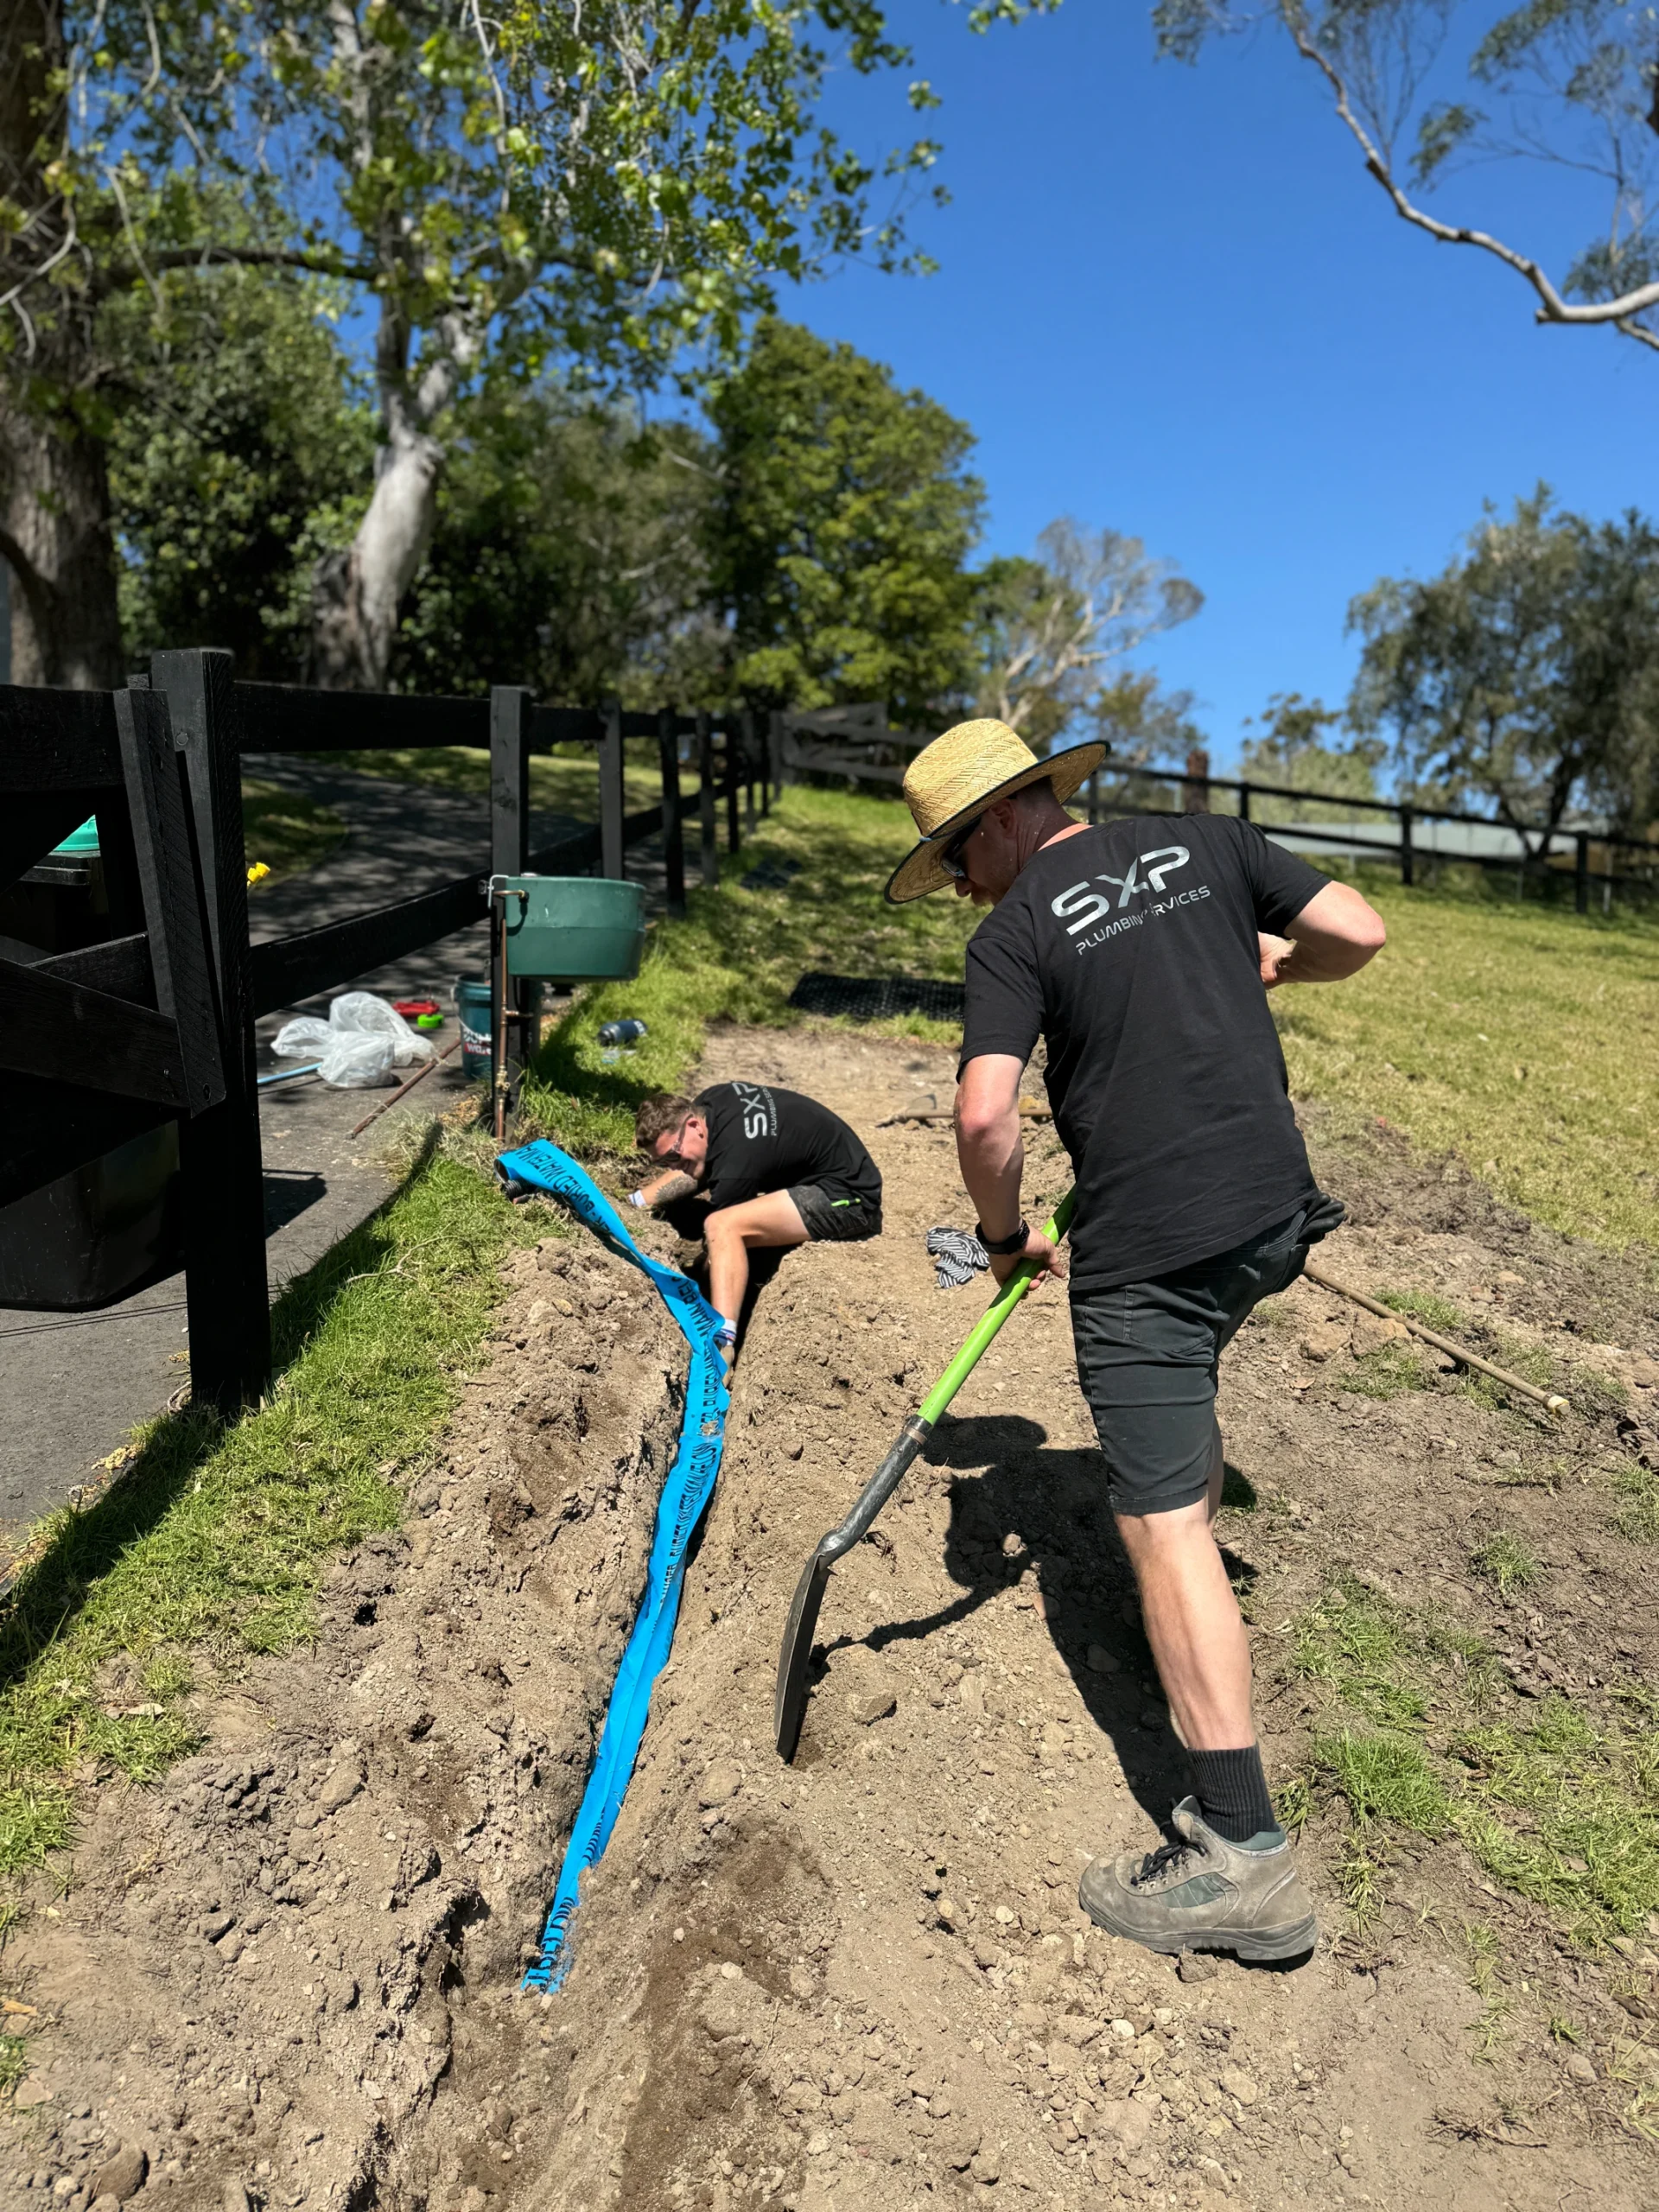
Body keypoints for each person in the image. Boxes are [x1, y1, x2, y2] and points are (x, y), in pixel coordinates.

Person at [886, 716, 1386, 1963]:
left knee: (1157, 1525)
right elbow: (1356, 934)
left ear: (1001, 818)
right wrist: (1276, 968)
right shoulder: (1205, 843)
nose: (959, 883)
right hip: (1269, 1216)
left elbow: (987, 1118)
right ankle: (1192, 1542)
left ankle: (1241, 1856)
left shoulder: (1013, 933)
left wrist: (1002, 1243)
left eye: (955, 856)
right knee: (1187, 1409)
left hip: (1153, 1252)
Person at [629, 1084, 883, 1361]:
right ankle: (634, 1200)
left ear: (693, 1125)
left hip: (849, 1197)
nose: (672, 1166)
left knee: (722, 1226)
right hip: (824, 1166)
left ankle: (722, 1344)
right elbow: (696, 1166)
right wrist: (633, 1204)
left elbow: (718, 1245)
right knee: (701, 1170)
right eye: (662, 1162)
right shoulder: (711, 1103)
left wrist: (701, 1279)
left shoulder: (737, 1168)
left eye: (673, 1157)